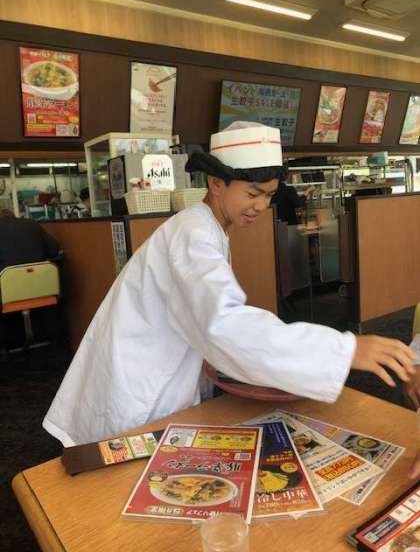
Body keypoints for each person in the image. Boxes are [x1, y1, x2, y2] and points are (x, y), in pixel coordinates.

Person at [43, 122, 415, 447]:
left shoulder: (208, 227)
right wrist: (345, 350)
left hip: (157, 375)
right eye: (253, 193)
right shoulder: (193, 234)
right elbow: (224, 323)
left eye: (269, 195)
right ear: (216, 183)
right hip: (140, 392)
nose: (261, 206)